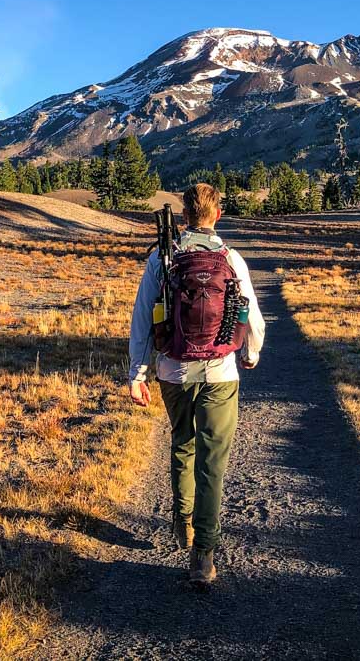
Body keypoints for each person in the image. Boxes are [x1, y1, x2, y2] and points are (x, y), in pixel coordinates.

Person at [128, 182, 266, 586]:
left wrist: (137, 373)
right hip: (221, 372)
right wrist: (250, 353)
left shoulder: (163, 257)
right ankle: (202, 555)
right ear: (217, 215)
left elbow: (141, 319)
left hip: (173, 370)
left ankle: (182, 520)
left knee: (182, 443)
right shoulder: (231, 258)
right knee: (213, 463)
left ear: (185, 216)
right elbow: (251, 316)